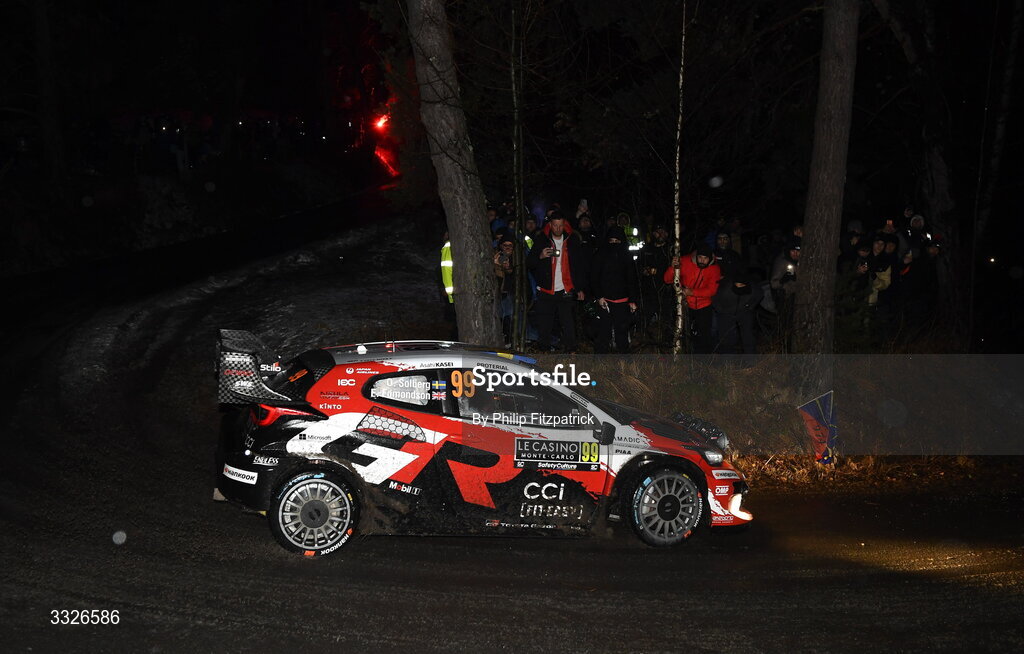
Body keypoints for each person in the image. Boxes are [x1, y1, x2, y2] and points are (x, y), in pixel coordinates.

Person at [527, 212, 587, 352]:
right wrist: (540, 256)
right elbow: (529, 263)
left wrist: (579, 288)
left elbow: (579, 266)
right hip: (546, 291)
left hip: (566, 290)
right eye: (555, 225)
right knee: (545, 325)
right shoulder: (541, 240)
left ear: (564, 224)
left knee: (568, 324)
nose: (558, 228)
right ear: (550, 225)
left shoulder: (572, 240)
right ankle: (545, 353)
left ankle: (571, 352)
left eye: (561, 225)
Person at [663, 242, 722, 353]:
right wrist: (672, 268)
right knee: (682, 331)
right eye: (700, 257)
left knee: (704, 334)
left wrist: (692, 292)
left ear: (710, 259)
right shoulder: (685, 261)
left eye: (705, 258)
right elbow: (667, 279)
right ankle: (682, 354)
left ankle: (702, 359)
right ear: (696, 256)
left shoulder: (715, 269)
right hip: (685, 303)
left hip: (704, 305)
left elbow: (712, 290)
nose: (702, 260)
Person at [589, 226, 640, 353]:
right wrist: (599, 296)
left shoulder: (627, 257)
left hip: (622, 301)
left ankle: (622, 364)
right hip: (604, 301)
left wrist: (632, 300)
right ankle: (601, 363)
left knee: (622, 333)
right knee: (603, 333)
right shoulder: (600, 255)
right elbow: (594, 277)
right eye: (611, 241)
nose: (614, 244)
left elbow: (632, 279)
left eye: (617, 241)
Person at [713, 272, 763, 356]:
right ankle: (728, 359)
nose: (739, 287)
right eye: (737, 285)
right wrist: (722, 311)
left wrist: (750, 307)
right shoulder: (725, 289)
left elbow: (760, 295)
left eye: (742, 285)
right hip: (727, 312)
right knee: (726, 337)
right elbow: (715, 300)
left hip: (745, 311)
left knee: (748, 336)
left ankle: (750, 360)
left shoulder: (753, 289)